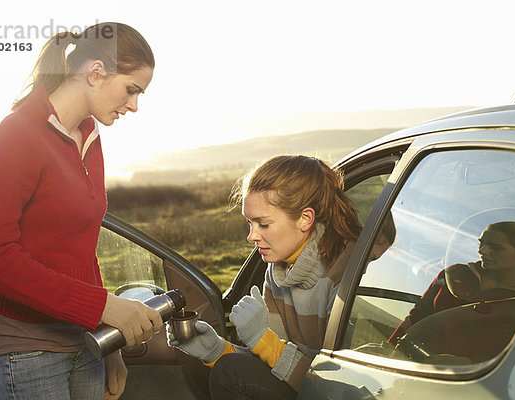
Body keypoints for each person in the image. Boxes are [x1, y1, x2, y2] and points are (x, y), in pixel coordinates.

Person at [0, 22, 162, 400]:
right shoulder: (18, 135)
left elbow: (81, 251)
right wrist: (104, 306)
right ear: (95, 73)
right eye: (131, 90)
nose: (134, 105)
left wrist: (111, 344)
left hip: (84, 342)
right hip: (24, 351)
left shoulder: (88, 136)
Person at [168, 155, 394, 400]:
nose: (251, 236)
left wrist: (262, 341)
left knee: (230, 372)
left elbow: (340, 388)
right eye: (249, 223)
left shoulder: (349, 273)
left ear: (305, 219)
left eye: (263, 224)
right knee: (229, 367)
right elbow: (273, 363)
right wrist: (217, 350)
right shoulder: (277, 273)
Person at [388, 221, 515, 346]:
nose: (482, 250)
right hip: (410, 372)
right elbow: (415, 317)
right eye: (481, 243)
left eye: (496, 247)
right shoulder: (454, 274)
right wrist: (387, 350)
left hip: (470, 383)